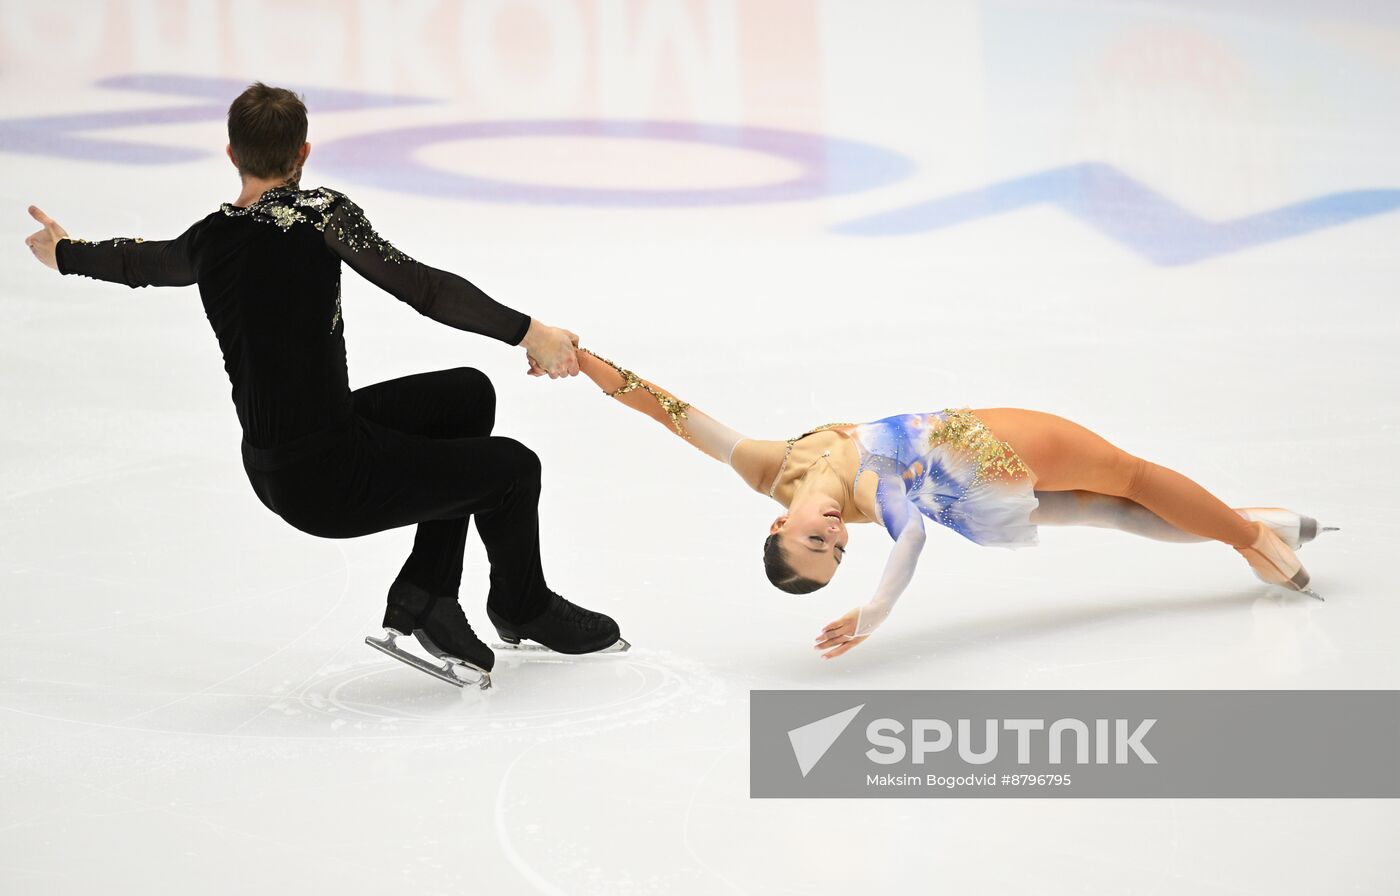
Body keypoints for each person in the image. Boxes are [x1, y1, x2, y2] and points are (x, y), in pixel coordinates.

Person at [23, 82, 627, 690]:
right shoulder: (320, 215)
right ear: (303, 154)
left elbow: (139, 264)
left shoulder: (209, 240)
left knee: (466, 396)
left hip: (278, 461)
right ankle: (523, 605)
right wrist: (530, 333)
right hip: (330, 478)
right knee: (513, 470)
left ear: (231, 154)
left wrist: (66, 251)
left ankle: (428, 595)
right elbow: (425, 289)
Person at [560, 348, 1331, 660]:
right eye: (834, 552)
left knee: (1120, 492)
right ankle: (1244, 533)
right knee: (1120, 496)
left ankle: (1246, 531)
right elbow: (907, 544)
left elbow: (667, 410)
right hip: (975, 464)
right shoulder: (868, 490)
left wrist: (581, 359)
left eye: (810, 541)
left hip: (976, 455)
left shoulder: (765, 469)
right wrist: (876, 612)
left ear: (778, 521)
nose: (831, 536)